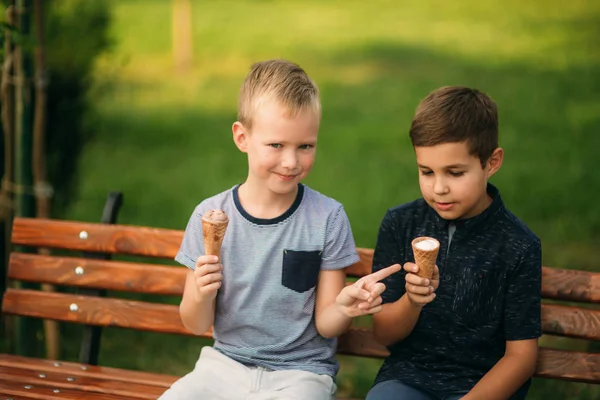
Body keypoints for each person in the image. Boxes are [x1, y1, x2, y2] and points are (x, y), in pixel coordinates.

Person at [158, 59, 400, 400]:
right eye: (276, 145)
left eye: (305, 146)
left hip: (300, 375)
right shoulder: (211, 216)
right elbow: (196, 323)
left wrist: (345, 308)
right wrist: (200, 291)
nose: (291, 161)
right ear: (242, 137)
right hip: (223, 367)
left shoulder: (327, 218)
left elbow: (326, 324)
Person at [366, 86, 542, 400]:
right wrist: (412, 301)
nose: (439, 188)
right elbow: (384, 334)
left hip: (482, 386)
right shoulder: (401, 224)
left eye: (455, 173)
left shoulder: (518, 245)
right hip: (409, 378)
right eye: (426, 172)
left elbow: (521, 357)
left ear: (492, 162)